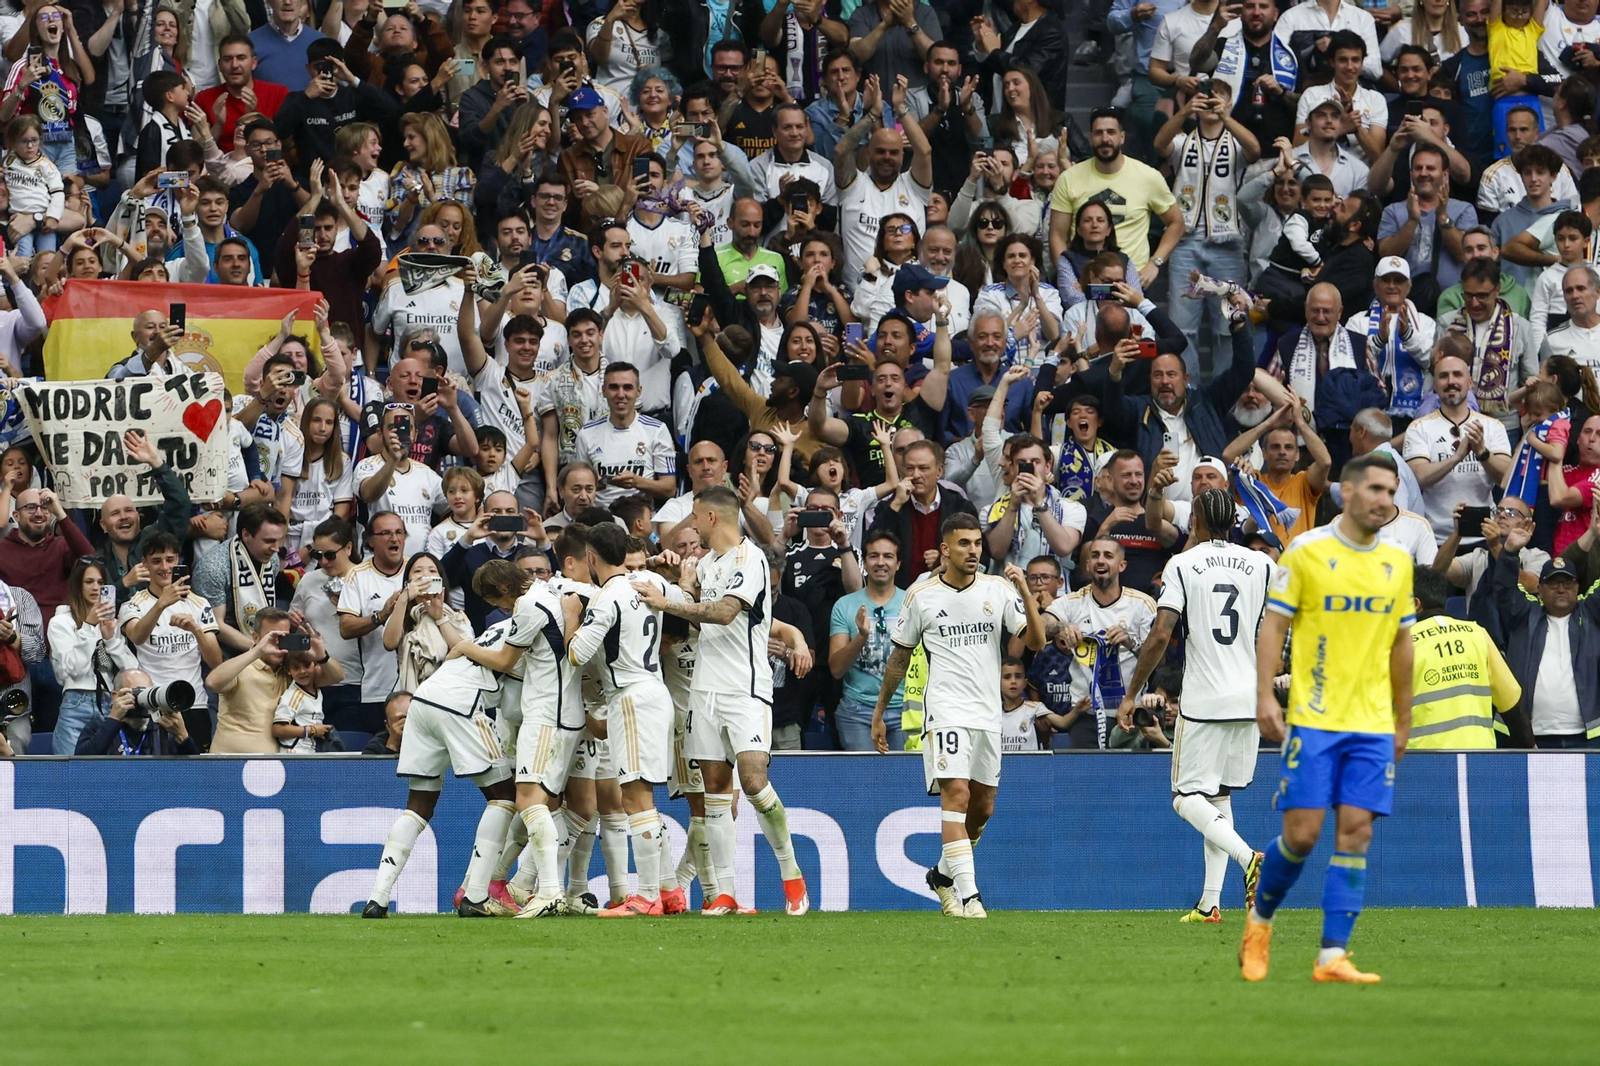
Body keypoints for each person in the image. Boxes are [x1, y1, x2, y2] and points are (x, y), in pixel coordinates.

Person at [1242, 452, 1415, 984]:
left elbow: (1401, 645)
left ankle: (1331, 956)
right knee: (1302, 835)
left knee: (1357, 831)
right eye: (1377, 490)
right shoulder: (1307, 551)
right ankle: (1259, 921)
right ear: (1348, 492)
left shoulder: (1396, 562)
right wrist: (1265, 697)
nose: (1386, 500)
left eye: (1392, 492)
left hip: (1371, 724)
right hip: (1315, 718)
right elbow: (1274, 625)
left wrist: (1402, 721)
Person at [632, 486, 814, 916]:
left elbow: (725, 612)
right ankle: (726, 893)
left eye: (695, 517)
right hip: (703, 692)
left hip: (745, 689)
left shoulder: (750, 559)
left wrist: (666, 602)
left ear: (713, 518)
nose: (692, 526)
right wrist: (682, 587)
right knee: (714, 791)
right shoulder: (708, 564)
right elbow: (700, 618)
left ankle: (792, 875)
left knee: (752, 781)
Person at [873, 513, 1047, 918]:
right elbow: (899, 657)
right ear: (946, 549)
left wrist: (1024, 592)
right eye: (964, 544)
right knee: (958, 795)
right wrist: (880, 712)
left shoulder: (998, 589)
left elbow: (1036, 642)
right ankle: (970, 896)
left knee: (983, 807)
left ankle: (942, 876)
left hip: (987, 715)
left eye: (977, 544)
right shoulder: (923, 595)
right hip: (946, 711)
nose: (973, 551)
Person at [1117, 488, 1270, 923]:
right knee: (1217, 797)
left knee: (1185, 798)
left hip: (1205, 699)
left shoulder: (1183, 564)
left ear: (1197, 522)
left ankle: (1249, 859)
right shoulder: (1263, 564)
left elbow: (1162, 633)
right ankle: (1209, 904)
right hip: (1248, 697)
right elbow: (1275, 628)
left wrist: (1132, 693)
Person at [362, 560, 532, 918]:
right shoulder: (528, 630)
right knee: (504, 798)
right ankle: (475, 895)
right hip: (461, 702)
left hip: (424, 698)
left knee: (418, 805)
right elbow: (512, 694)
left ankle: (377, 898)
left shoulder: (496, 628)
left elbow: (462, 649)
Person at [554, 523, 680, 916]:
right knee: (646, 797)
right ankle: (670, 890)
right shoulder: (648, 580)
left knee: (635, 798)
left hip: (629, 698)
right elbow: (682, 595)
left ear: (591, 559)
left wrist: (572, 615)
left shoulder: (608, 598)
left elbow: (577, 653)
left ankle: (644, 898)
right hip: (658, 693)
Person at [1488, 526, 1600, 747]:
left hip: (1587, 736)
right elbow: (1503, 588)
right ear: (1539, 588)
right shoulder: (1523, 614)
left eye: (1567, 583)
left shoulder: (1591, 614)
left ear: (1577, 588)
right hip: (1528, 737)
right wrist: (1510, 552)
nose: (1561, 588)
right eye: (1553, 582)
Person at [1049, 109, 1184, 289]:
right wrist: (1068, 278)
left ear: (1122, 137)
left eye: (1111, 132)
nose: (1105, 139)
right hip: (1084, 280)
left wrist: (1155, 263)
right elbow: (1057, 235)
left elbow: (1177, 223)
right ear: (1090, 138)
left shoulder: (1148, 177)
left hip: (1132, 281)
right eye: (1098, 133)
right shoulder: (1069, 178)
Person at [118, 532, 223, 751]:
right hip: (153, 702)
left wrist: (195, 628)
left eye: (170, 560)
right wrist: (161, 604)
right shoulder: (133, 604)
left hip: (194, 702)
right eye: (156, 561)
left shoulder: (199, 603)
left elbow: (215, 661)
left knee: (196, 772)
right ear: (144, 564)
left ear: (179, 561)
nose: (164, 567)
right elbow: (137, 636)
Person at [1408, 564, 1526, 748]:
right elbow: (1511, 702)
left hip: (1422, 765)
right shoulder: (1477, 633)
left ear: (1416, 604)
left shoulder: (1400, 646)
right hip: (1478, 760)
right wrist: (1530, 746)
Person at [832, 72, 933, 284]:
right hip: (858, 295)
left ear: (902, 155)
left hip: (908, 293)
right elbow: (842, 151)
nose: (887, 157)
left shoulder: (914, 186)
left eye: (893, 152)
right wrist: (872, 115)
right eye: (880, 151)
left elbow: (924, 151)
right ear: (868, 153)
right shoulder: (854, 185)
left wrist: (900, 108)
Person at [48, 559, 138, 757]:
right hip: (77, 701)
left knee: (106, 774)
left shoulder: (109, 621)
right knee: (71, 773)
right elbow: (74, 669)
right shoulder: (60, 622)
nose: (96, 587)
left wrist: (111, 640)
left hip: (110, 702)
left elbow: (132, 671)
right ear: (78, 585)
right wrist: (88, 626)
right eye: (89, 581)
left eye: (100, 582)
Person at [829, 529, 906, 751]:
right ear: (864, 562)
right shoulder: (845, 605)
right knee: (864, 783)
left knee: (906, 784)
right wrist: (861, 637)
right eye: (874, 556)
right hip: (857, 712)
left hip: (905, 710)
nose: (881, 562)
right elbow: (836, 669)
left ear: (898, 563)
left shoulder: (913, 602)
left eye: (888, 556)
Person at [336, 511, 409, 730]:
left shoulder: (418, 569)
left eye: (399, 532)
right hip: (377, 689)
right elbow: (346, 627)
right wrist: (381, 615)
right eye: (385, 533)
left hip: (419, 688)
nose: (394, 538)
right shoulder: (357, 575)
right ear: (370, 540)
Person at [73, 669, 200, 756]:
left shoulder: (161, 730)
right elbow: (82, 764)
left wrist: (183, 736)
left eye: (146, 692)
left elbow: (195, 773)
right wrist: (113, 720)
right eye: (137, 692)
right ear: (115, 696)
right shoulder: (99, 726)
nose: (141, 700)